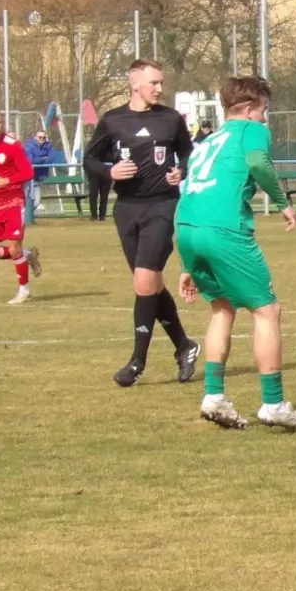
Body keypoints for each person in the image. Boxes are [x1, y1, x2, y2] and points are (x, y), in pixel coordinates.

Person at [175, 75, 296, 431]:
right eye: (263, 110)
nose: (264, 118)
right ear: (248, 109)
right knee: (267, 310)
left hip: (187, 228)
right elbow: (258, 163)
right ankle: (273, 403)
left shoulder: (207, 141)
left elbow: (191, 189)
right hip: (224, 229)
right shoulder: (251, 130)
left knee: (222, 308)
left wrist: (187, 263)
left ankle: (214, 396)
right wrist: (283, 203)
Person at [84, 58, 200, 387]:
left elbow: (189, 153)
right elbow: (89, 159)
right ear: (135, 84)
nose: (160, 88)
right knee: (149, 285)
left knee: (144, 281)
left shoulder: (171, 119)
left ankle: (137, 362)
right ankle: (185, 346)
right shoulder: (113, 120)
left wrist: (182, 170)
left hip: (162, 206)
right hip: (126, 209)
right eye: (154, 82)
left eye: (161, 82)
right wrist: (109, 171)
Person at [0, 109, 42, 304]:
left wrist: (6, 180)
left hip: (14, 203)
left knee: (14, 249)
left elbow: (28, 172)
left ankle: (24, 290)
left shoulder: (13, 145)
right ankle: (27, 254)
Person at [24, 127, 60, 219]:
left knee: (36, 201)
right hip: (28, 177)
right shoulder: (29, 146)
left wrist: (40, 160)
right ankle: (24, 217)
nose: (42, 139)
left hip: (39, 177)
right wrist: (43, 158)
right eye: (40, 137)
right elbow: (30, 160)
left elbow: (51, 158)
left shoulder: (48, 145)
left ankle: (27, 217)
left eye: (44, 137)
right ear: (35, 137)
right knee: (25, 199)